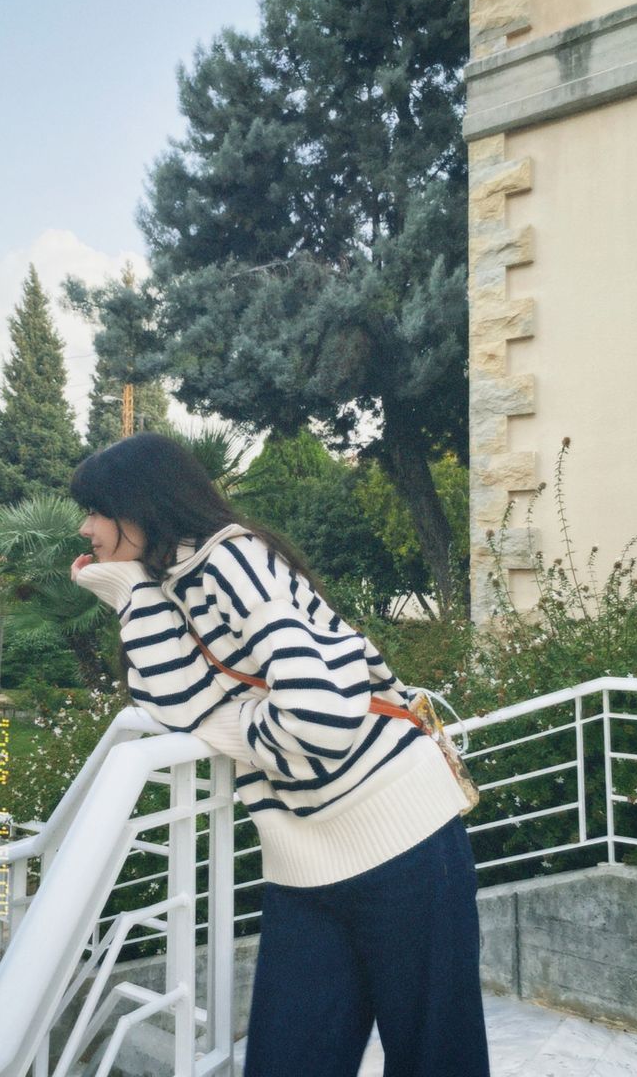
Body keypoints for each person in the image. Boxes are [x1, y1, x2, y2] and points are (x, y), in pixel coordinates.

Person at [70, 432, 490, 1077]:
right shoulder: (173, 583)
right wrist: (130, 590)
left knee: (436, 1055)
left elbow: (317, 723)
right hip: (303, 858)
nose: (85, 527)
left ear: (143, 504)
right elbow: (170, 702)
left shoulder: (230, 562)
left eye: (97, 509)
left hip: (400, 832)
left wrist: (231, 726)